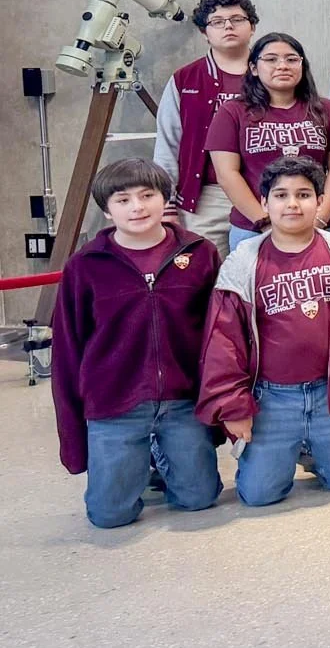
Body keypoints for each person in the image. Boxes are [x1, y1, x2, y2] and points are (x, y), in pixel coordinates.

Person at [197, 155, 330, 506]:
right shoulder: (242, 263)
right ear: (264, 203)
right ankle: (288, 443)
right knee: (257, 495)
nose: (293, 204)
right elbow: (223, 343)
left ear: (319, 202)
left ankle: (315, 445)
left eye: (304, 194)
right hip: (272, 398)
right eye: (281, 195)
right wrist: (234, 406)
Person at [49, 159, 222, 528]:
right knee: (110, 517)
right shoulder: (84, 267)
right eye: (123, 200)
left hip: (181, 400)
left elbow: (220, 333)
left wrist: (218, 406)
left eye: (147, 195)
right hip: (115, 404)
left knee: (198, 499)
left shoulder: (201, 254)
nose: (137, 207)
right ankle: (136, 457)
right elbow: (67, 350)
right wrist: (73, 437)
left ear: (165, 199)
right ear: (107, 210)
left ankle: (160, 454)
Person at [205, 32, 330, 252]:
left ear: (302, 65)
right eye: (271, 59)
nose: (282, 65)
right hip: (253, 229)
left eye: (291, 59)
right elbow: (227, 175)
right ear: (254, 68)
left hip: (318, 226)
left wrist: (319, 219)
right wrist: (264, 222)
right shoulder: (232, 112)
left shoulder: (326, 109)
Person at [153, 0, 256, 254]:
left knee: (262, 277)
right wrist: (166, 203)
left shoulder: (273, 72)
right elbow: (168, 143)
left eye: (237, 19)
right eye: (217, 22)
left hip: (262, 191)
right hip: (205, 198)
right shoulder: (184, 79)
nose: (228, 27)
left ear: (252, 26)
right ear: (204, 32)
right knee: (204, 277)